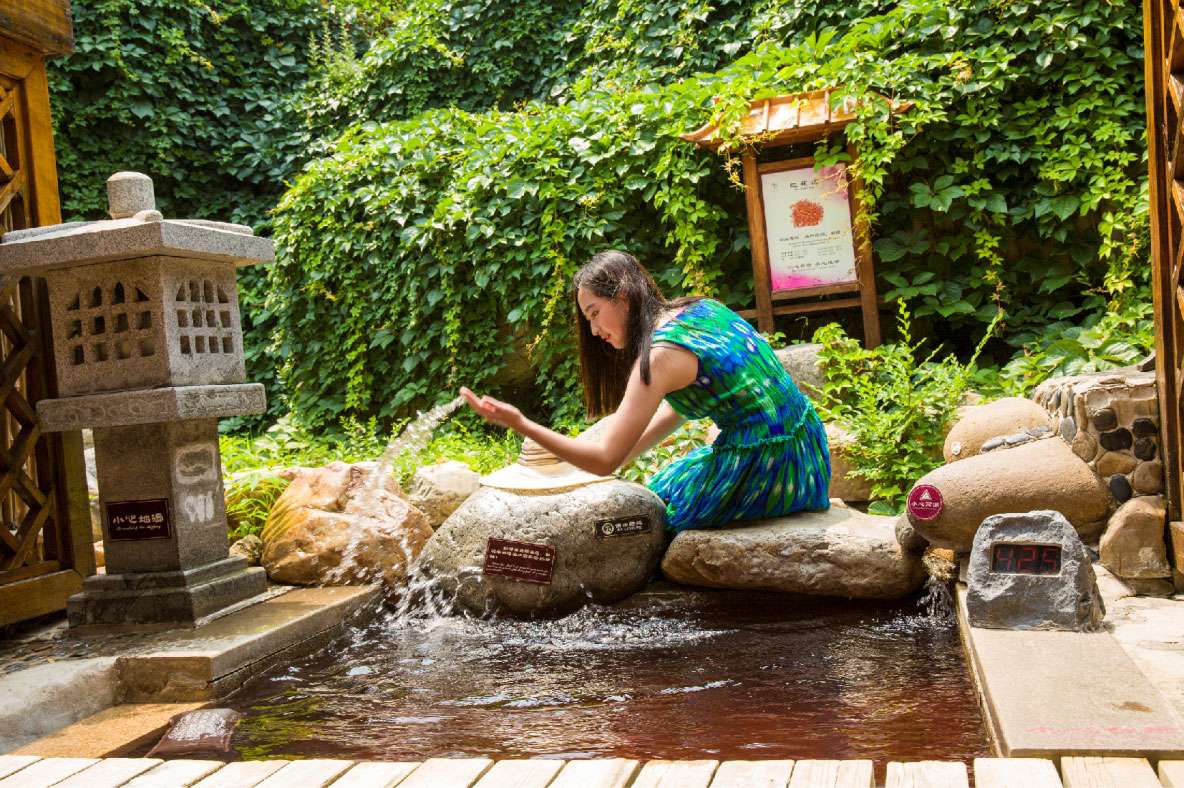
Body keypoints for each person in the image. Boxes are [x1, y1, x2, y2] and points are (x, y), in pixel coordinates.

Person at [460, 249, 830, 531]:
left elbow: (604, 458)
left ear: (622, 297)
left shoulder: (658, 358)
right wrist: (616, 459)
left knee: (652, 517)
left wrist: (520, 422)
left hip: (770, 470)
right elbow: (680, 410)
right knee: (659, 483)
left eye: (593, 313)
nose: (593, 331)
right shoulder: (702, 309)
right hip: (808, 449)